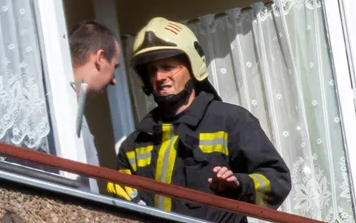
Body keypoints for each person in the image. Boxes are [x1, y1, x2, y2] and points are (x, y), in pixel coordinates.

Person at [108, 17, 291, 222]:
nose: (159, 77)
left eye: (168, 66)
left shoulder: (231, 121)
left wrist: (239, 185)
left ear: (193, 66)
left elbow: (278, 180)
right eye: (152, 70)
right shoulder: (135, 144)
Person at [68, 20, 120, 169]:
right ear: (100, 58)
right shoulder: (63, 118)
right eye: (114, 66)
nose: (114, 80)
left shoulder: (70, 108)